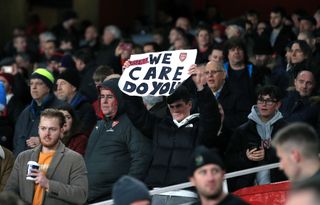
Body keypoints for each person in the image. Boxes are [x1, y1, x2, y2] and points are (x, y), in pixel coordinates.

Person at [123, 63, 221, 204]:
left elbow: (212, 118)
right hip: (156, 193)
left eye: (179, 105)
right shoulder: (160, 126)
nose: (175, 110)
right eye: (172, 106)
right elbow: (137, 114)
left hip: (186, 194)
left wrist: (201, 88)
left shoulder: (199, 127)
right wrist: (129, 81)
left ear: (189, 105)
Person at [85, 78, 152, 203]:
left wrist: (127, 193)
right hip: (91, 197)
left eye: (109, 97)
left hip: (112, 198)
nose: (104, 101)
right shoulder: (99, 125)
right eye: (102, 96)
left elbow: (141, 159)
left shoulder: (131, 124)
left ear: (119, 99)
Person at [5, 108, 88, 205]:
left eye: (52, 129)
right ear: (38, 129)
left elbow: (81, 196)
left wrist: (48, 184)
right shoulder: (23, 157)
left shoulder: (75, 159)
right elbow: (9, 192)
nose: (47, 134)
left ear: (61, 131)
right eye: (43, 128)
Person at [225, 85, 287, 191]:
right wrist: (246, 156)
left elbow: (294, 155)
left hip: (280, 188)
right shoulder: (242, 131)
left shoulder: (287, 130)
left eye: (269, 101)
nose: (264, 104)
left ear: (278, 105)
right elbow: (229, 159)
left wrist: (267, 154)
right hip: (248, 189)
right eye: (260, 100)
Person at [13, 68, 66, 156]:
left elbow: (66, 139)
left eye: (39, 83)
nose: (33, 87)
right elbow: (16, 140)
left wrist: (42, 142)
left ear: (48, 87)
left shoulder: (60, 109)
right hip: (22, 164)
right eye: (31, 83)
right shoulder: (25, 112)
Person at [55, 68, 97, 136]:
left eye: (62, 84)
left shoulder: (86, 108)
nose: (58, 88)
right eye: (57, 85)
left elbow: (81, 135)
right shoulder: (58, 108)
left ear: (73, 87)